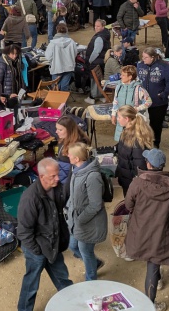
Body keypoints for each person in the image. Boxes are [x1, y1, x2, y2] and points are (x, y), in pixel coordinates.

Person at [123, 148, 169, 311]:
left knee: (151, 262)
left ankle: (150, 301)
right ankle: (151, 304)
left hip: (140, 231)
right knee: (153, 264)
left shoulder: (137, 183)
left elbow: (128, 205)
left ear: (148, 164)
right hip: (161, 233)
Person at [16, 158, 73, 311]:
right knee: (31, 284)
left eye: (57, 174)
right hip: (37, 248)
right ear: (41, 176)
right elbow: (23, 231)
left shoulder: (57, 187)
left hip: (54, 243)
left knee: (62, 278)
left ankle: (72, 304)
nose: (58, 178)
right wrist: (37, 251)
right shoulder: (30, 198)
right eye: (53, 176)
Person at [65, 142, 107, 281]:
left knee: (85, 251)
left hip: (89, 223)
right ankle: (95, 263)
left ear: (77, 158)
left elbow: (95, 204)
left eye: (70, 154)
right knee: (72, 246)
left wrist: (80, 219)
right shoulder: (76, 170)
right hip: (77, 220)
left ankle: (91, 280)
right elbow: (73, 195)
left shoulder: (92, 176)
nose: (67, 156)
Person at [137, 48, 169, 148]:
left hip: (158, 102)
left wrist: (164, 94)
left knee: (156, 125)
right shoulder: (140, 65)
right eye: (142, 57)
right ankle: (143, 144)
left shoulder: (163, 66)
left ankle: (155, 145)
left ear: (152, 57)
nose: (143, 59)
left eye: (146, 57)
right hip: (143, 102)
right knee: (142, 124)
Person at [114, 105, 154, 194]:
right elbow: (124, 146)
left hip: (133, 184)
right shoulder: (126, 131)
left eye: (119, 117)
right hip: (126, 178)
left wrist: (135, 184)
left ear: (127, 119)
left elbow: (140, 165)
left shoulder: (137, 140)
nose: (117, 119)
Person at [111, 64, 152, 142]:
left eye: (123, 75)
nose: (121, 77)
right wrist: (113, 114)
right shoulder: (119, 87)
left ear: (130, 77)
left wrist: (137, 108)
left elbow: (148, 102)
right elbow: (115, 101)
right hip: (122, 119)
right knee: (121, 140)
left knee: (133, 141)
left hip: (134, 120)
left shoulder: (139, 89)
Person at [54, 116, 89, 183]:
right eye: (56, 129)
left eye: (60, 130)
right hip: (62, 170)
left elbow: (78, 166)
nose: (56, 132)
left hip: (69, 175)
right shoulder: (63, 138)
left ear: (69, 130)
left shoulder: (78, 145)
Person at [45, 23, 78, 93]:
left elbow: (48, 56)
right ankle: (64, 100)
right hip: (68, 67)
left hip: (57, 68)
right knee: (64, 87)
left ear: (57, 30)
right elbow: (75, 54)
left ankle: (56, 100)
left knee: (55, 87)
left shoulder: (52, 43)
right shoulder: (72, 42)